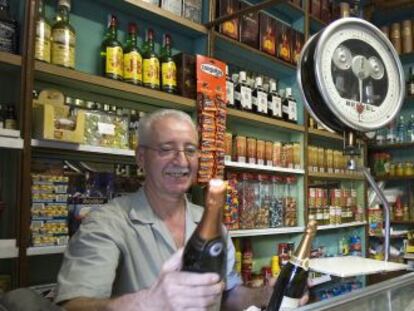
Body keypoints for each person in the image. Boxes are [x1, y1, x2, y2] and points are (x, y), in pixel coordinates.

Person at [55, 109, 299, 310]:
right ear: (141, 157)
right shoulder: (105, 224)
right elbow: (74, 306)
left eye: (190, 150)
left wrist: (267, 295)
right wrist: (149, 303)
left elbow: (226, 297)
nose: (181, 161)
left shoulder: (213, 228)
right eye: (166, 149)